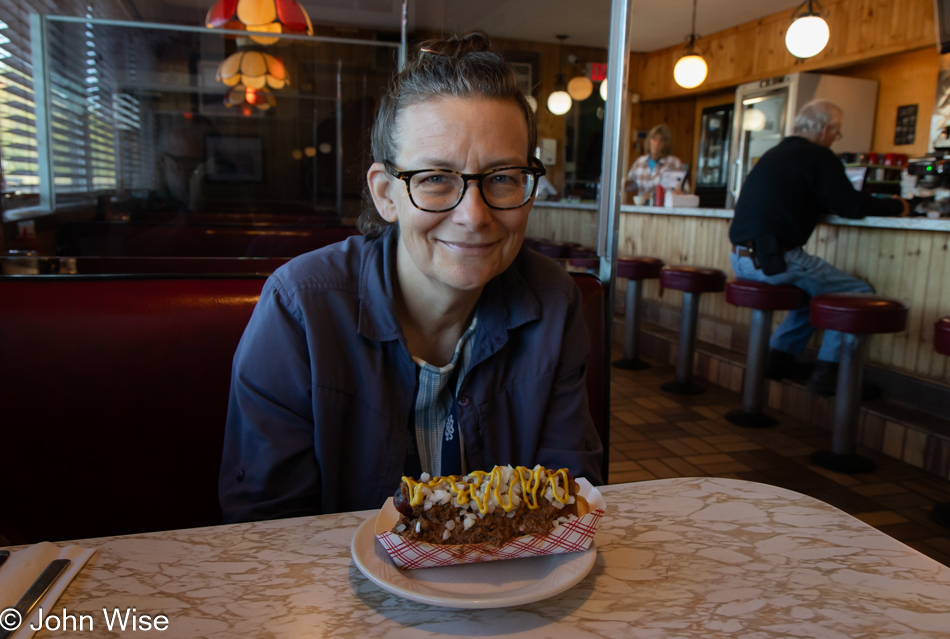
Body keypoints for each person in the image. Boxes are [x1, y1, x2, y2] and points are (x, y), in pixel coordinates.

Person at [218, 33, 604, 523]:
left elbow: (567, 497)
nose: (473, 215)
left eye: (503, 177)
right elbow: (268, 529)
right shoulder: (300, 310)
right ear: (385, 194)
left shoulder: (554, 302)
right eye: (436, 178)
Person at [729, 100, 910, 396]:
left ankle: (779, 360)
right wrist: (898, 205)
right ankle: (830, 372)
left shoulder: (774, 154)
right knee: (855, 293)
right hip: (775, 259)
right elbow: (850, 205)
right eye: (836, 134)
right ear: (827, 129)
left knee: (808, 295)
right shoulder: (818, 156)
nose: (833, 139)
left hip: (742, 259)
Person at [623, 123, 684, 201]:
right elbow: (629, 185)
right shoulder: (640, 162)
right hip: (642, 207)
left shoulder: (674, 163)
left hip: (665, 208)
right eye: (654, 139)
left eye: (661, 141)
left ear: (666, 144)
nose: (657, 144)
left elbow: (684, 190)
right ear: (649, 140)